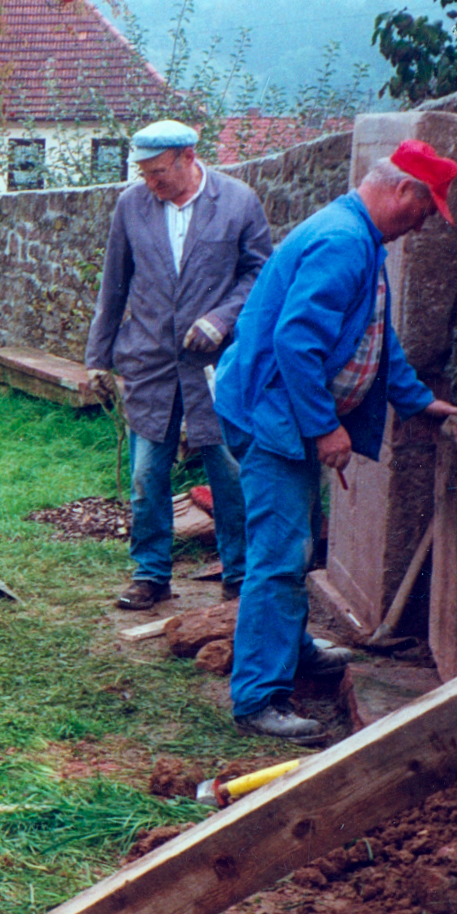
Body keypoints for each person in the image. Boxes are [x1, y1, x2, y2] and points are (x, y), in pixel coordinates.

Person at [214, 139, 457, 743]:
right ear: (403, 189)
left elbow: (373, 339)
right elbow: (295, 343)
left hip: (275, 409)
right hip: (270, 417)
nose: (425, 221)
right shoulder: (343, 241)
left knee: (295, 544)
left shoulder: (360, 237)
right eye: (426, 207)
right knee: (279, 557)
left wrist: (417, 400)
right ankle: (258, 699)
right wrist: (325, 427)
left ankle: (290, 652)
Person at [85, 119, 272, 610]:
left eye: (158, 172)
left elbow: (260, 274)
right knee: (147, 475)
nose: (151, 183)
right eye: (144, 173)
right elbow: (114, 284)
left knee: (229, 473)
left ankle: (240, 574)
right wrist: (97, 358)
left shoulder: (237, 202)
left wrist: (223, 317)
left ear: (189, 157)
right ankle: (150, 575)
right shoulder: (132, 206)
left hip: (215, 367)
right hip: (148, 362)